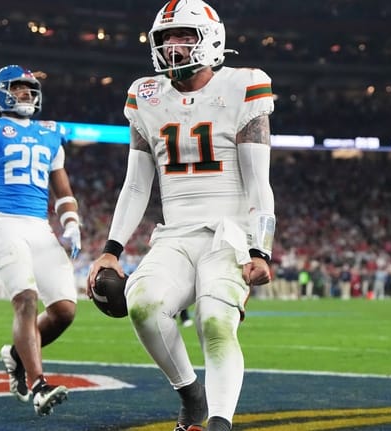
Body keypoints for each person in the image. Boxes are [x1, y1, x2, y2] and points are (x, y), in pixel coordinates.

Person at [87, 2, 275, 430]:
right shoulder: (145, 95)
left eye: (184, 36)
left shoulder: (244, 85)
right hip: (174, 234)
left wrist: (260, 248)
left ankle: (220, 424)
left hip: (228, 234)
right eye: (166, 38)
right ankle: (192, 397)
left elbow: (258, 180)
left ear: (210, 38)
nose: (173, 46)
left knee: (215, 320)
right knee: (143, 304)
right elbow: (136, 185)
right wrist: (111, 251)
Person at [0, 64, 80, 417]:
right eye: (18, 88)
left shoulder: (52, 132)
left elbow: (63, 190)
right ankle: (38, 385)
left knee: (65, 311)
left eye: (29, 88)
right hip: (3, 223)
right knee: (26, 299)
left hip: (40, 226)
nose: (26, 94)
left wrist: (72, 223)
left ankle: (16, 355)